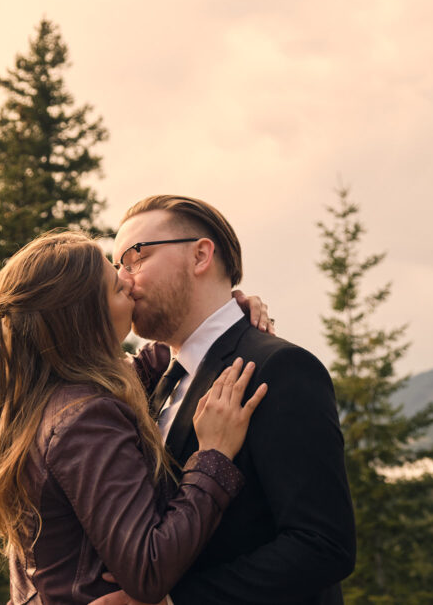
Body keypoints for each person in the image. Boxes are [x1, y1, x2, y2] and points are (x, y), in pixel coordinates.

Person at [0, 230, 269, 604]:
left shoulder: (50, 396)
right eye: (113, 284)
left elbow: (155, 364)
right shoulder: (86, 418)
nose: (127, 278)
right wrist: (214, 455)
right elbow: (149, 570)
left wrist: (223, 310)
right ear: (85, 319)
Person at [96, 195, 356, 605]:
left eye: (134, 258)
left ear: (200, 255)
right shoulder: (155, 382)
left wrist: (174, 600)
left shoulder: (281, 368)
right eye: (116, 268)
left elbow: (322, 545)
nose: (124, 279)